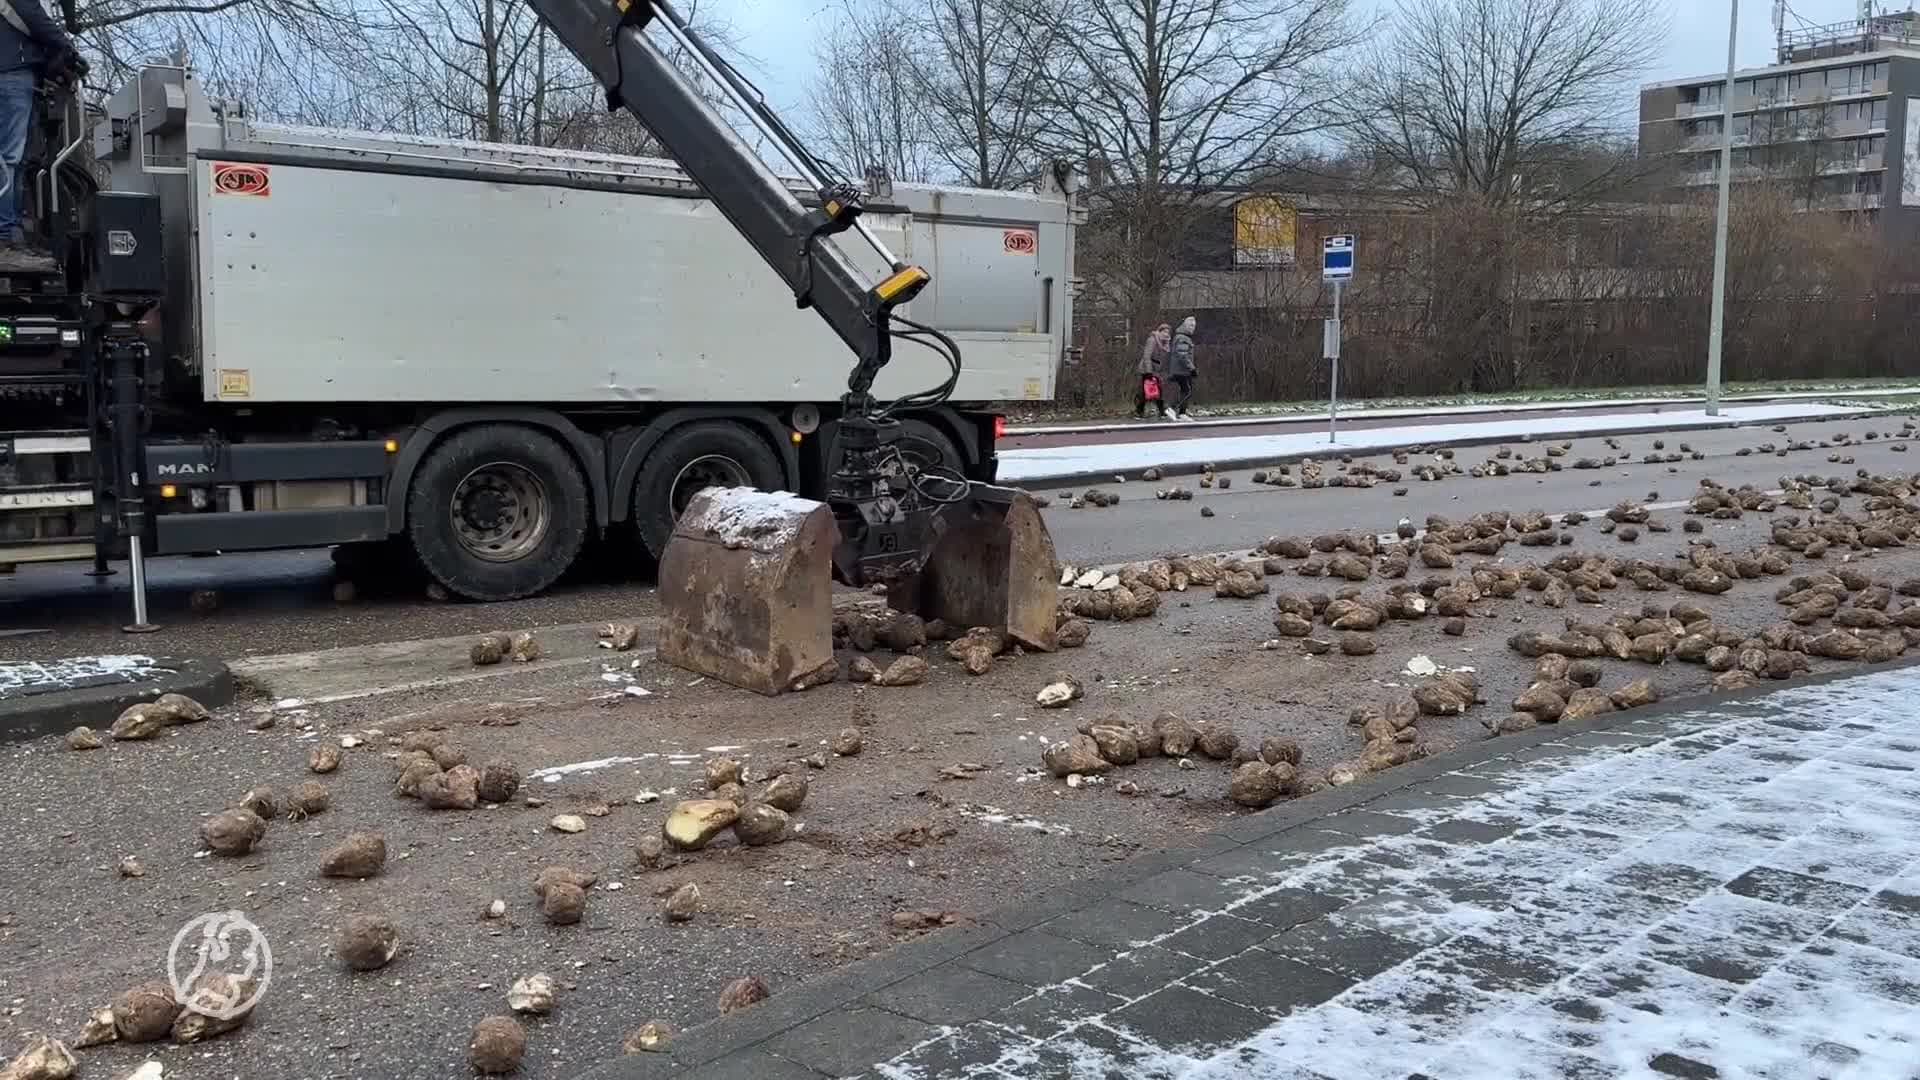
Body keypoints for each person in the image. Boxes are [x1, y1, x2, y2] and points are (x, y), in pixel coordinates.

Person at [0, 0, 80, 268]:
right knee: (8, 158)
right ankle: (4, 242)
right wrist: (64, 45)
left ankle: (11, 237)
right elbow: (28, 11)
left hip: (18, 71)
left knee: (18, 160)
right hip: (9, 71)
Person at [1134, 321, 1170, 419]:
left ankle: (1162, 412)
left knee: (1159, 390)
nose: (1166, 334)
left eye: (1168, 332)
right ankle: (1139, 411)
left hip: (1157, 370)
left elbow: (1162, 359)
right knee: (1145, 391)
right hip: (1147, 368)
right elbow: (1147, 355)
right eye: (1164, 332)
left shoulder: (1165, 343)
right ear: (1160, 331)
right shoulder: (1152, 340)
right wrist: (1149, 371)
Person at [1166, 315, 1197, 421]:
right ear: (1185, 326)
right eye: (1190, 326)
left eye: (1193, 326)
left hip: (1182, 370)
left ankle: (1182, 412)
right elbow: (1182, 354)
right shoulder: (1182, 337)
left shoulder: (1183, 337)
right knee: (1187, 390)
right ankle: (1172, 408)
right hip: (1181, 370)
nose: (1192, 328)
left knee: (1186, 390)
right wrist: (1192, 368)